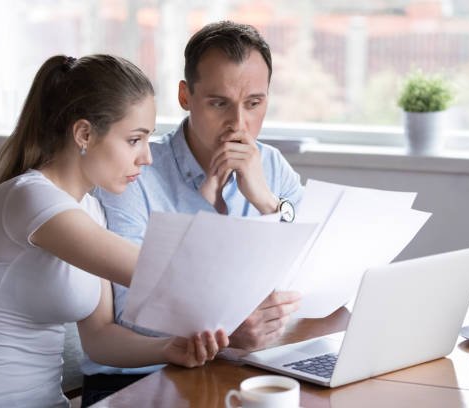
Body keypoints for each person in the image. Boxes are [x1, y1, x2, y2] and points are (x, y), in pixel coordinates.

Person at [0, 54, 228, 408]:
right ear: (84, 134)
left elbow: (101, 339)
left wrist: (168, 348)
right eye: (134, 140)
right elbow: (156, 271)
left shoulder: (89, 210)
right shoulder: (30, 199)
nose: (146, 158)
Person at [82, 21, 304, 405]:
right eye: (219, 103)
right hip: (138, 383)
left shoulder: (271, 165)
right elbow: (128, 315)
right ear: (186, 96)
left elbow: (306, 269)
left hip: (237, 373)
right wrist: (226, 331)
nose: (239, 123)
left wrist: (266, 201)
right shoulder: (134, 172)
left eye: (254, 103)